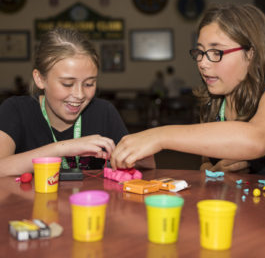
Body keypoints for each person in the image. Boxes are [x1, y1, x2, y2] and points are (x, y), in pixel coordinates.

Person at [110, 3, 265, 178]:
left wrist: (160, 136)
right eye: (200, 52)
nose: (202, 63)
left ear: (251, 54)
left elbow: (256, 139)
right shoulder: (215, 103)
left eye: (216, 52)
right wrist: (214, 171)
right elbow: (205, 164)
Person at [0, 28, 154, 177]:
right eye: (67, 84)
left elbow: (147, 166)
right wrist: (63, 148)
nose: (80, 95)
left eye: (89, 84)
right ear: (40, 79)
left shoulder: (103, 111)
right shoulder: (15, 110)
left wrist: (138, 154)